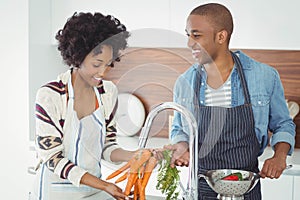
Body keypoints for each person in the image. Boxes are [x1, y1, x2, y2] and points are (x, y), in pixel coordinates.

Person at [167, 3, 296, 200]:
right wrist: (182, 146)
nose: (189, 43)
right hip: (201, 187)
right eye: (188, 35)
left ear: (221, 36)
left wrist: (279, 157)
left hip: (246, 185)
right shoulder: (185, 82)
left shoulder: (263, 77)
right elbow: (178, 129)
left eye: (196, 35)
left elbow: (283, 124)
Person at [31, 12, 141, 200]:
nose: (103, 72)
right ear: (77, 57)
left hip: (93, 191)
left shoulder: (108, 93)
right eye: (97, 64)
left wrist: (133, 156)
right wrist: (104, 185)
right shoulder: (50, 96)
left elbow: (107, 146)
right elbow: (53, 159)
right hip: (55, 192)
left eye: (108, 64)